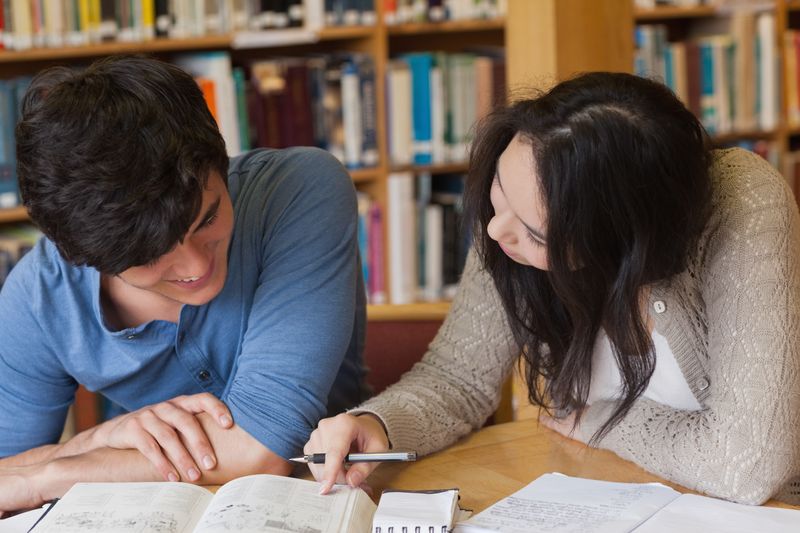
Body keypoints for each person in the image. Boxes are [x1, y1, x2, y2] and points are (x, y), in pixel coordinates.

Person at [305, 72, 800, 506]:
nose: (497, 233)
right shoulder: (518, 205)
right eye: (499, 192)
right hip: (596, 497)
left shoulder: (741, 201)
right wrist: (378, 423)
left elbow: (747, 464)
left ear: (624, 243)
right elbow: (458, 379)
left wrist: (596, 420)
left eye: (537, 234)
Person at [0, 55, 368, 513]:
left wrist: (54, 473)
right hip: (153, 512)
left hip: (331, 498)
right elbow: (6, 477)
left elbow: (262, 446)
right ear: (85, 257)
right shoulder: (37, 297)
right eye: (151, 256)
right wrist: (101, 437)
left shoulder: (298, 190)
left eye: (208, 217)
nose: (196, 265)